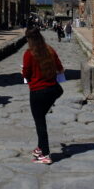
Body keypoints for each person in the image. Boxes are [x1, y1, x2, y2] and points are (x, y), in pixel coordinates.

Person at [21, 27, 64, 164]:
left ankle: (45, 154)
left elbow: (26, 74)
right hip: (53, 90)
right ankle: (40, 148)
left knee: (40, 122)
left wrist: (24, 72)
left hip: (37, 91)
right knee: (40, 118)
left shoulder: (29, 54)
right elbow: (59, 67)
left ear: (29, 39)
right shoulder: (50, 50)